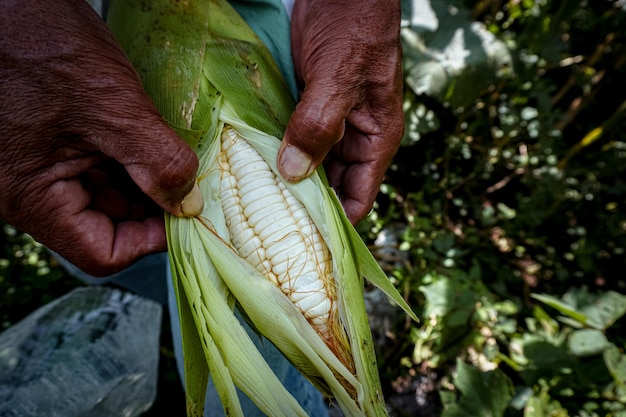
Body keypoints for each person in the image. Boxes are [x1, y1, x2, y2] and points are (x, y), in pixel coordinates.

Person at [0, 0, 404, 414]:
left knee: (248, 374)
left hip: (245, 26)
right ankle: (174, 296)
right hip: (43, 65)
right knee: (103, 228)